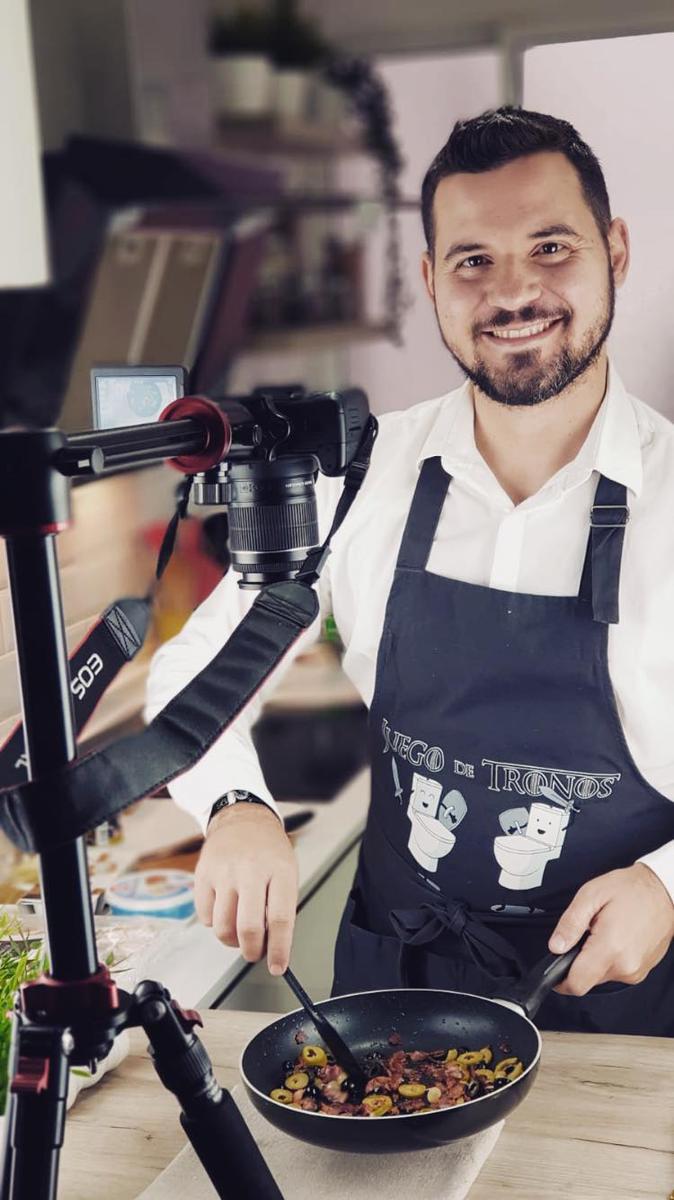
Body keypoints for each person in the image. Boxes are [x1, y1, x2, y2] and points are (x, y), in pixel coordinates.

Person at [145, 106, 674, 1035]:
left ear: (616, 251)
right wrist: (234, 806)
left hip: (618, 1003)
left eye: (551, 247)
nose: (514, 292)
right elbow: (196, 667)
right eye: (474, 260)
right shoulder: (361, 475)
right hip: (395, 992)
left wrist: (668, 886)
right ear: (431, 281)